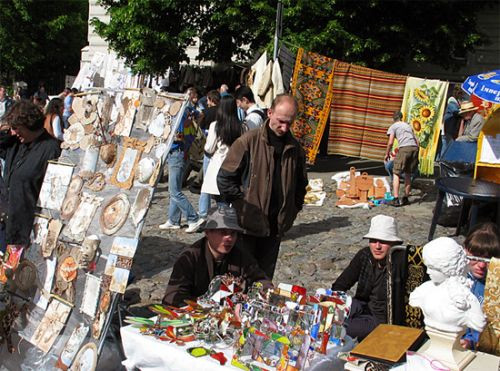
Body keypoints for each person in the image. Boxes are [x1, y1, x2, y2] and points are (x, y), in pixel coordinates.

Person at [217, 94, 308, 279]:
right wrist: (242, 204)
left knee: (264, 281)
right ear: (270, 113)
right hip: (246, 226)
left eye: (289, 123)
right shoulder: (248, 141)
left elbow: (301, 185)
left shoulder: (295, 149)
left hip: (275, 227)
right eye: (281, 121)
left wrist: (293, 209)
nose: (285, 128)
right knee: (239, 279)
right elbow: (225, 179)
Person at [162, 206, 270, 307]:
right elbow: (173, 297)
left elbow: (261, 280)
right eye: (223, 232)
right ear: (207, 233)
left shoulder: (241, 255)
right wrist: (206, 304)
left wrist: (263, 294)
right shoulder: (190, 258)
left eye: (233, 233)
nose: (229, 238)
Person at [0, 101, 61, 253]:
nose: (14, 132)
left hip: (26, 232)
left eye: (16, 128)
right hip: (6, 224)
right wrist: (8, 131)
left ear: (29, 125)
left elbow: (53, 196)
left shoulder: (50, 148)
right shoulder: (16, 144)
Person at [331, 215, 403, 340]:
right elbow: (341, 284)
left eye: (383, 241)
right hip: (362, 305)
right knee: (328, 315)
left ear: (394, 243)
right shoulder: (365, 255)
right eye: (373, 241)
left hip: (380, 319)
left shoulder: (400, 264)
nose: (377, 246)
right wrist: (334, 304)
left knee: (340, 328)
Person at [409, 237, 485, 334]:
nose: (427, 271)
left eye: (432, 268)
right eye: (427, 266)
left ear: (448, 269)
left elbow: (479, 322)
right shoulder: (424, 290)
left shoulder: (466, 299)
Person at [159, 110, 205, 233]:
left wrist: (164, 135)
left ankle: (193, 218)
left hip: (177, 152)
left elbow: (179, 136)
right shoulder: (186, 111)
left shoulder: (180, 114)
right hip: (180, 153)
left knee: (174, 191)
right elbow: (199, 115)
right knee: (176, 189)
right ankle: (173, 220)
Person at [461, 223, 500, 350]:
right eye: (476, 257)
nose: (482, 265)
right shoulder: (457, 276)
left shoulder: (495, 287)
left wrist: (471, 341)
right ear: (465, 250)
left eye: (489, 260)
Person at [201, 96, 244, 211]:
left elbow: (209, 148)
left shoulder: (215, 125)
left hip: (219, 165)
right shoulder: (241, 126)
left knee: (221, 203)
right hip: (236, 165)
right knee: (233, 201)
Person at [384, 111, 419, 207]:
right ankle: (405, 198)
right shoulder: (407, 125)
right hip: (414, 148)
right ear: (401, 117)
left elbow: (390, 142)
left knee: (396, 172)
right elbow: (417, 140)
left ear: (393, 118)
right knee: (408, 173)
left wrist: (387, 154)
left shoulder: (393, 126)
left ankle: (395, 199)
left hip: (405, 148)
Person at [440, 85, 464, 158]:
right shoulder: (452, 102)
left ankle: (441, 159)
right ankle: (443, 159)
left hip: (449, 127)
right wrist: (463, 110)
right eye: (460, 94)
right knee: (446, 144)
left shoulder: (455, 102)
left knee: (446, 144)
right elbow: (455, 111)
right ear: (458, 94)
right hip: (448, 127)